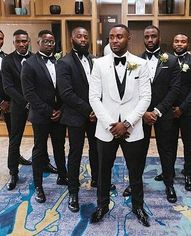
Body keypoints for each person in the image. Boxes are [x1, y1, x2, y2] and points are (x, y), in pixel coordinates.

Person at [89, 24, 151, 227]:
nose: (114, 40)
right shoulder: (98, 64)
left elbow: (145, 98)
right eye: (111, 37)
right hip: (106, 129)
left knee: (135, 171)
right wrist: (110, 124)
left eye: (119, 37)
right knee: (103, 171)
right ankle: (102, 205)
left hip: (132, 129)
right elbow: (94, 98)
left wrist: (127, 123)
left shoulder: (140, 64)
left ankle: (138, 207)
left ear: (128, 38)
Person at [123, 25, 181, 203]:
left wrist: (157, 111)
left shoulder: (171, 61)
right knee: (138, 151)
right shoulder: (135, 61)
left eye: (153, 36)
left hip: (163, 114)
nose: (150, 40)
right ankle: (134, 183)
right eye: (147, 37)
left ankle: (169, 183)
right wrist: (143, 112)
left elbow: (175, 89)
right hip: (141, 114)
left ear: (159, 37)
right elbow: (131, 90)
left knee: (167, 150)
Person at [21, 30, 68, 203]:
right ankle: (38, 186)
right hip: (41, 115)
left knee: (60, 146)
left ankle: (63, 176)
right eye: (46, 41)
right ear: (38, 42)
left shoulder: (59, 62)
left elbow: (63, 89)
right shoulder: (30, 63)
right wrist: (49, 111)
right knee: (39, 150)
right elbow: (29, 94)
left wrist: (60, 109)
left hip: (59, 113)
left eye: (52, 42)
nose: (49, 44)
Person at [56, 26, 99, 212]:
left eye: (85, 36)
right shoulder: (64, 63)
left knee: (96, 150)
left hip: (95, 116)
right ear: (72, 39)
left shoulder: (92, 59)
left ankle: (97, 180)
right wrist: (89, 109)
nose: (83, 39)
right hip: (75, 116)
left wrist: (97, 110)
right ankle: (73, 190)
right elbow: (66, 94)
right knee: (76, 153)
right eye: (79, 36)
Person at [167, 33, 191, 191]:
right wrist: (169, 107)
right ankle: (168, 172)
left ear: (188, 44)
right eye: (176, 41)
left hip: (188, 111)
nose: (179, 44)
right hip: (169, 109)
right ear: (172, 43)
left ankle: (188, 173)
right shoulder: (166, 59)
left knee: (189, 143)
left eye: (183, 41)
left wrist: (182, 108)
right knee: (169, 143)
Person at [1, 29, 33, 191]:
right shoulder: (7, 60)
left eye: (24, 41)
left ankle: (45, 163)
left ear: (28, 41)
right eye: (18, 41)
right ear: (14, 43)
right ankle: (13, 172)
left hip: (36, 105)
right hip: (18, 106)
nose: (22, 44)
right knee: (15, 139)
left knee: (41, 138)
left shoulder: (35, 58)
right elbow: (8, 87)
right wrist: (26, 101)